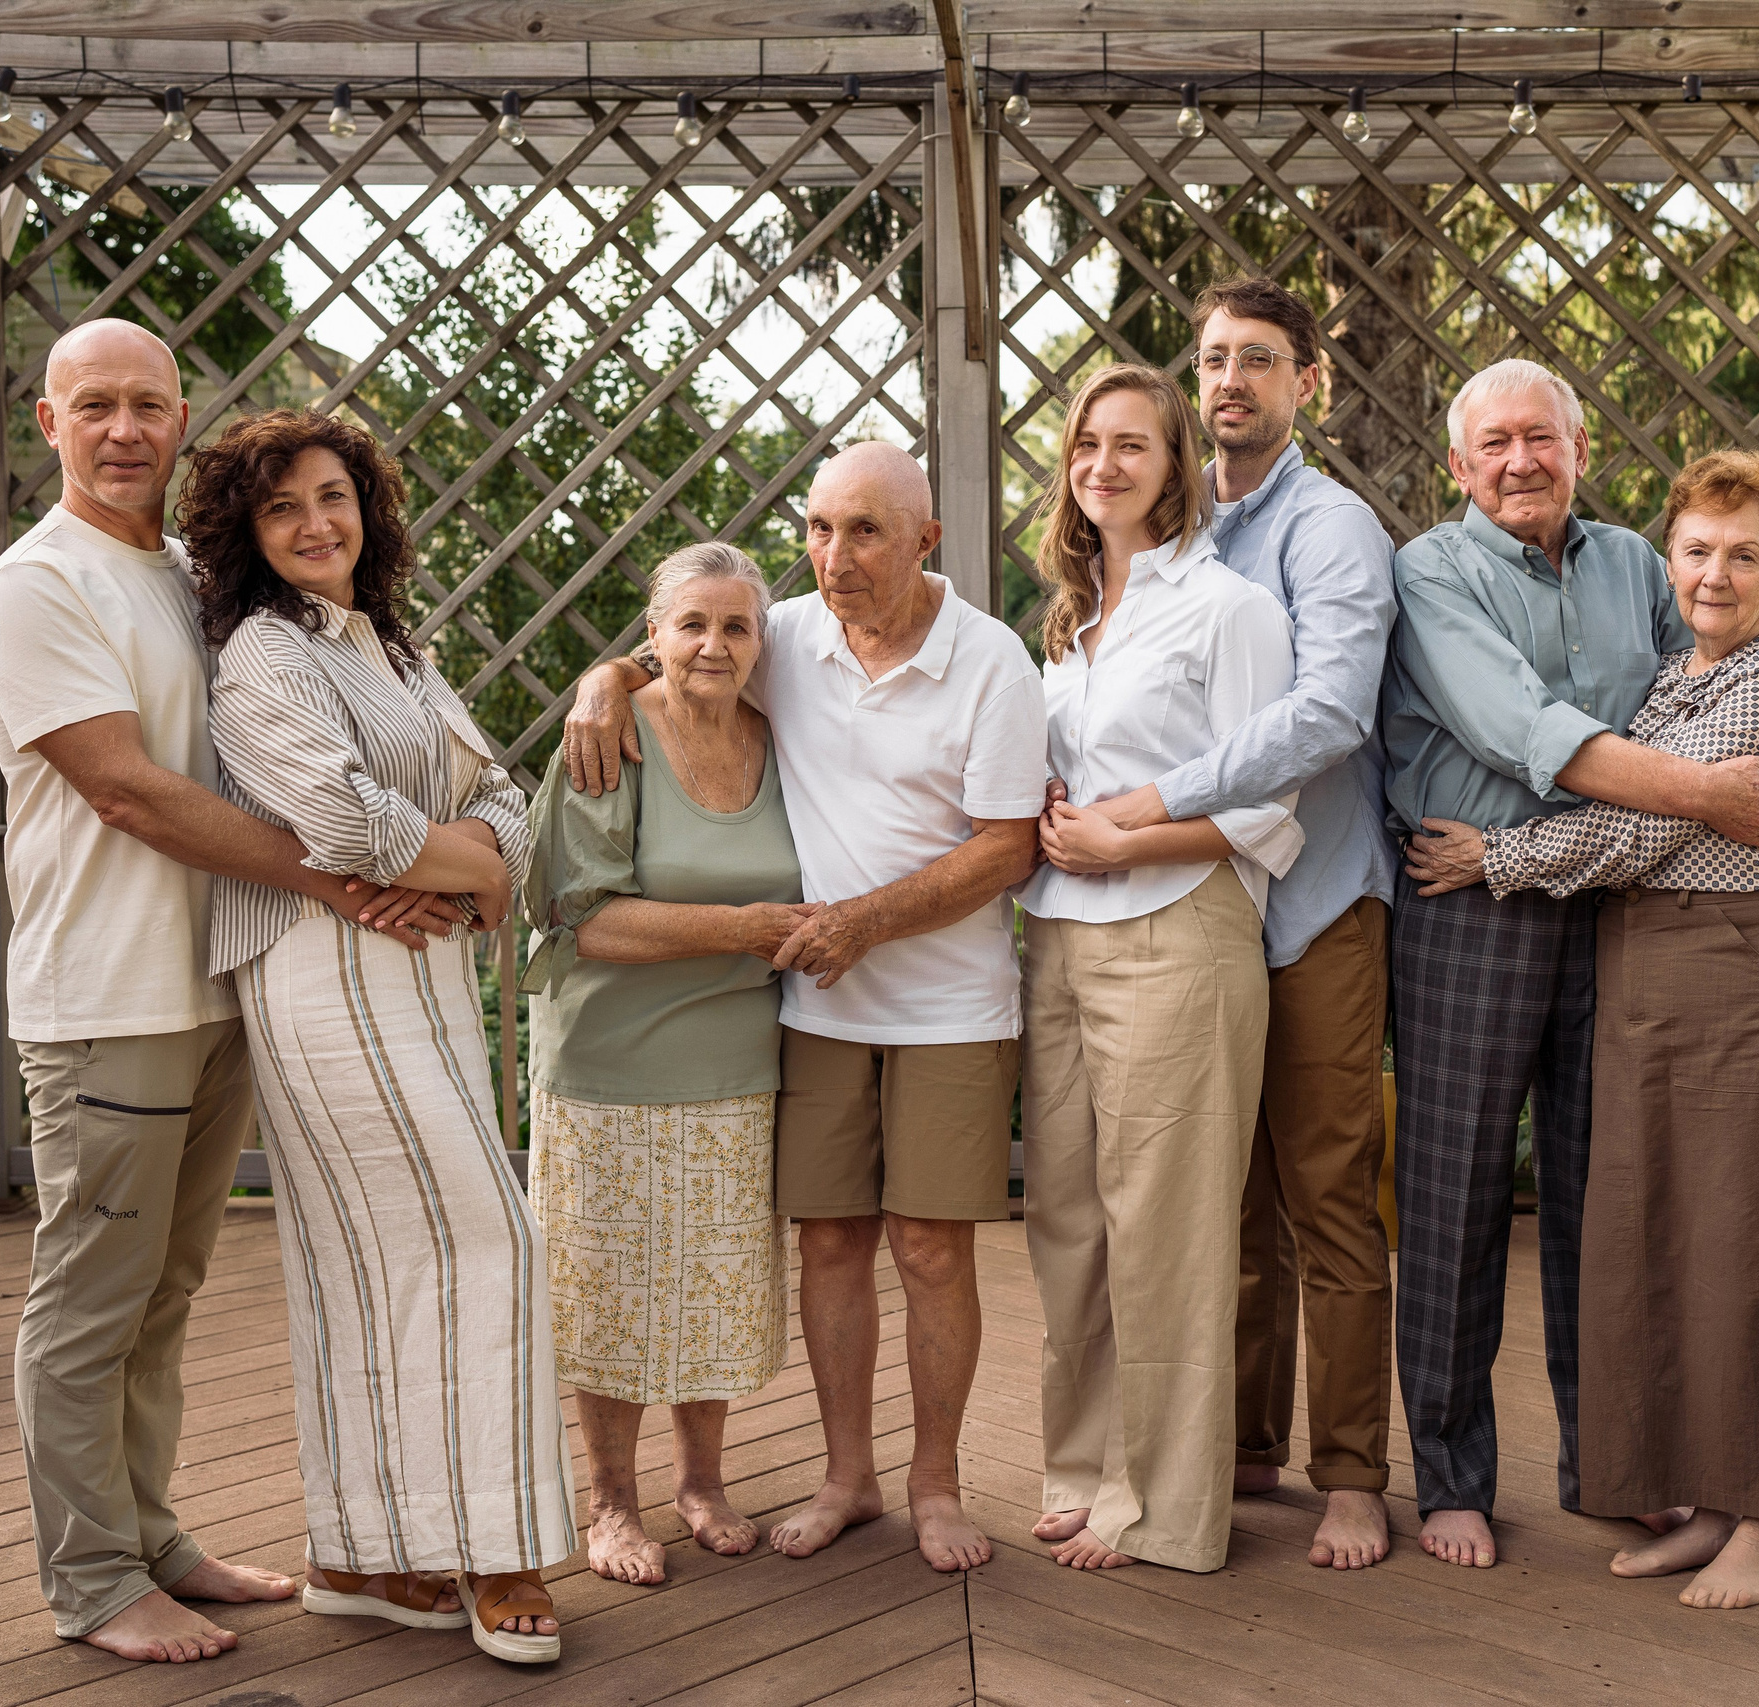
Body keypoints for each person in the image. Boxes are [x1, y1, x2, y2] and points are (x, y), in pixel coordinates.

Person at [0, 321, 455, 1664]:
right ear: (50, 422)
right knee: (89, 1299)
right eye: (95, 406)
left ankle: (153, 1535)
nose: (124, 429)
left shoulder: (194, 575)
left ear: (181, 421)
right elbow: (129, 787)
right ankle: (91, 1576)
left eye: (147, 404)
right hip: (107, 995)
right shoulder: (37, 583)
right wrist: (340, 876)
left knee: (166, 1288)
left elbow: (318, 722)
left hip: (217, 985)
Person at [1382, 359, 1759, 1572]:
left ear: (1578, 446)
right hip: (1471, 899)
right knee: (1452, 1204)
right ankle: (1452, 1478)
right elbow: (1527, 729)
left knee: (1616, 1210)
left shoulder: (1632, 567)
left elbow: (1719, 664)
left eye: (1538, 439)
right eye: (1492, 442)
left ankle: (1620, 1467)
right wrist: (1716, 790)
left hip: (1624, 921)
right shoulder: (1432, 571)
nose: (1518, 462)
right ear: (1458, 465)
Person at [559, 442, 1046, 1574]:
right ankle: (848, 1478)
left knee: (929, 1251)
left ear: (926, 541)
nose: (835, 557)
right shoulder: (786, 636)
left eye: (865, 531)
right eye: (819, 529)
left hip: (948, 1008)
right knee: (830, 1242)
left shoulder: (993, 662)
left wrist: (865, 921)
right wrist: (604, 679)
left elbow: (1006, 848)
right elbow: (685, 650)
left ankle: (935, 1483)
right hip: (816, 1011)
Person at [182, 409, 570, 1664]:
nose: (313, 523)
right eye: (281, 506)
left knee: (374, 1259)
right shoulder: (262, 655)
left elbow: (504, 796)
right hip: (327, 969)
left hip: (423, 974)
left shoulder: (393, 648)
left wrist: (471, 871)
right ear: (247, 532)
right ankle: (499, 1548)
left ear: (368, 509)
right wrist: (470, 871)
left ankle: (363, 1553)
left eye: (332, 496)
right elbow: (339, 827)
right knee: (489, 1235)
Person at [1076, 276, 1402, 1570]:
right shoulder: (1180, 534)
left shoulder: (1330, 531)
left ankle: (1358, 1475)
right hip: (1198, 909)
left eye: (1258, 360)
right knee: (1230, 1202)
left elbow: (1327, 716)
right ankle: (1245, 1442)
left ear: (1306, 381)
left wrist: (1150, 802)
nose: (1230, 382)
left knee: (1328, 1194)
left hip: (1313, 904)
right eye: (1212, 359)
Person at [1018, 364, 1300, 1573]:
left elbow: (1269, 802)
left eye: (1133, 445)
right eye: (1088, 444)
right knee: (1070, 1222)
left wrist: (1126, 834)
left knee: (1169, 1230)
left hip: (1177, 934)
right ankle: (1081, 1469)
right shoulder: (1068, 618)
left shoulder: (1229, 608)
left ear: (1179, 466)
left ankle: (1168, 1506)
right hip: (1059, 936)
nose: (1105, 465)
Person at [523, 543, 814, 1587]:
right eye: (691, 623)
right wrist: (745, 926)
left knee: (711, 1285)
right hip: (609, 1059)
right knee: (607, 1292)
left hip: (737, 1058)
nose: (713, 644)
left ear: (759, 645)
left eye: (736, 627)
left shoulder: (782, 740)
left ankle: (702, 1485)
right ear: (652, 636)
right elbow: (585, 921)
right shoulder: (610, 739)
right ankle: (611, 1504)